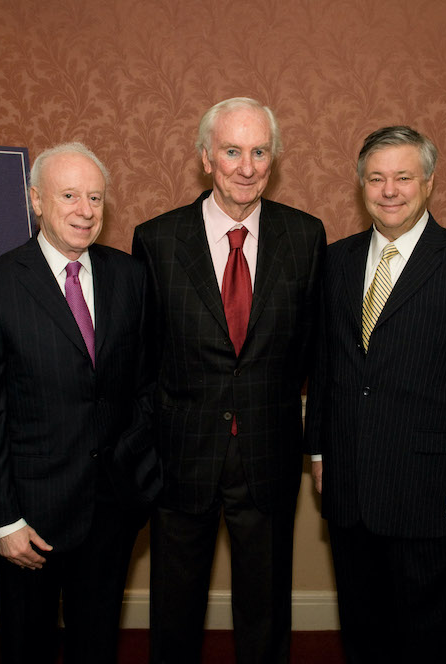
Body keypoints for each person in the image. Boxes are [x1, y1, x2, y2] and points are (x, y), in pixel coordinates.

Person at [303, 125, 446, 663]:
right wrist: (320, 450)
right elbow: (325, 363)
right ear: (361, 186)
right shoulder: (336, 260)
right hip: (349, 484)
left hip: (432, 490)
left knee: (426, 636)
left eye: (402, 177)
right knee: (363, 631)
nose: (389, 190)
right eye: (376, 178)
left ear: (430, 183)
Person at [132, 97, 325, 664]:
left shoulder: (305, 237)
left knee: (265, 610)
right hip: (180, 455)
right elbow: (143, 361)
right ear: (205, 158)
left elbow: (316, 351)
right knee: (174, 606)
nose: (246, 166)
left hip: (268, 450)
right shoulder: (157, 240)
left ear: (275, 159)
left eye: (259, 152)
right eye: (232, 151)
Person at [0, 143, 159, 663]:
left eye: (95, 197)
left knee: (97, 643)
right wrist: (3, 518)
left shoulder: (130, 277)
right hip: (30, 517)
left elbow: (144, 385)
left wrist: (135, 477)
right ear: (37, 201)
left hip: (111, 508)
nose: (85, 210)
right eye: (69, 195)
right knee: (27, 647)